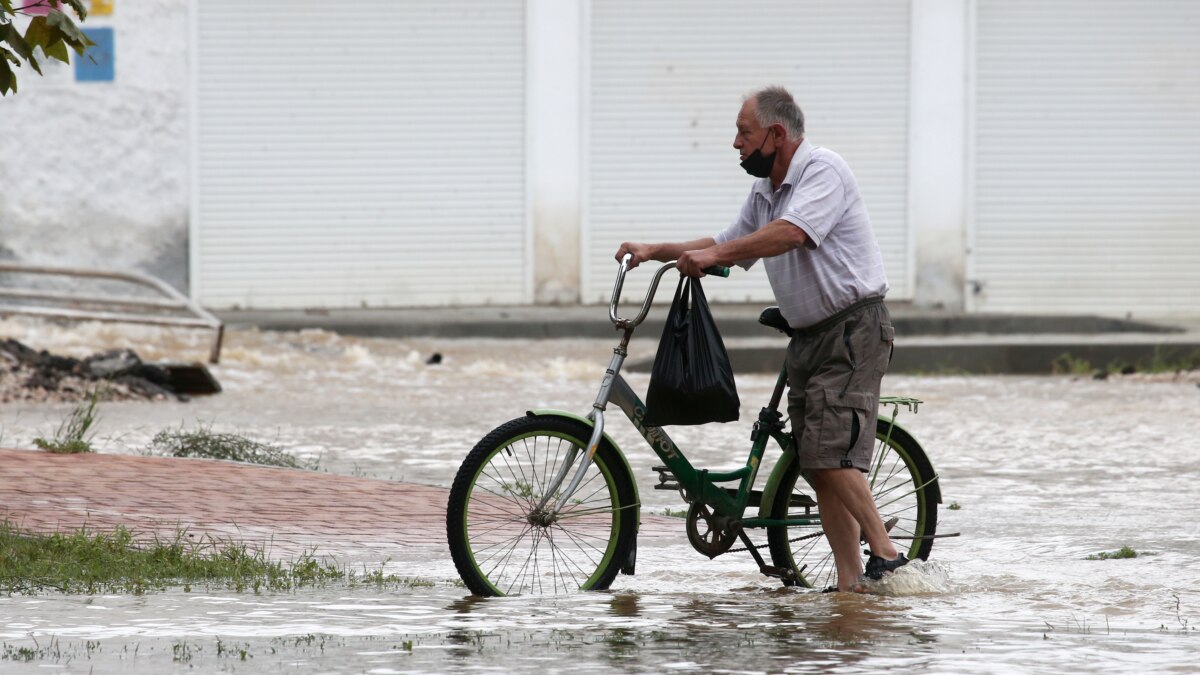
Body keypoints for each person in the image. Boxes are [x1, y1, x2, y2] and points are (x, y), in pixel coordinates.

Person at [615, 85, 905, 592]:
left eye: (743, 133)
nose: (736, 144)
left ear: (776, 133)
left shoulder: (822, 171)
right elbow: (729, 243)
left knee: (825, 453)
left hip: (853, 328)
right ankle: (849, 585)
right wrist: (657, 248)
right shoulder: (765, 189)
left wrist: (714, 258)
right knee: (818, 464)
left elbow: (792, 233)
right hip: (809, 334)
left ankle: (886, 551)